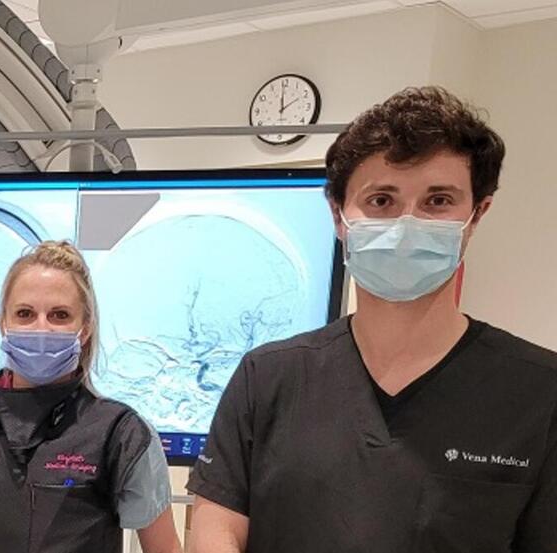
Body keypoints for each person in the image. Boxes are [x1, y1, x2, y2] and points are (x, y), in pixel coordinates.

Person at [187, 86, 557, 553]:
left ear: (477, 213)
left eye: (438, 201)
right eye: (382, 200)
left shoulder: (540, 394)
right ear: (339, 216)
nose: (407, 224)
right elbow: (216, 528)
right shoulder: (268, 378)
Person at [0, 241, 180, 553]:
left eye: (60, 315)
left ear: (85, 329)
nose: (41, 328)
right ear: (3, 324)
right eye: (25, 314)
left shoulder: (123, 437)